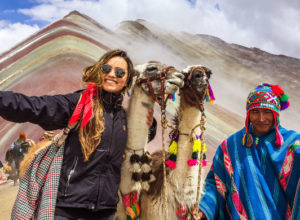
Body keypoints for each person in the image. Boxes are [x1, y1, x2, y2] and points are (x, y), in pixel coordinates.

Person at [0, 49, 156, 220]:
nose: (112, 74)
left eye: (119, 72)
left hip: (105, 211)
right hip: (68, 209)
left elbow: (138, 137)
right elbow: (36, 107)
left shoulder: (124, 119)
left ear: (126, 81)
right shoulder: (78, 104)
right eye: (106, 69)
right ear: (99, 71)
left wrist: (150, 124)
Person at [193, 83, 300, 219]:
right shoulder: (230, 146)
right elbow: (216, 184)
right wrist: (204, 208)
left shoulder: (293, 145)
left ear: (276, 114)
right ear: (248, 114)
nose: (261, 119)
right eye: (255, 112)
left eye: (267, 112)